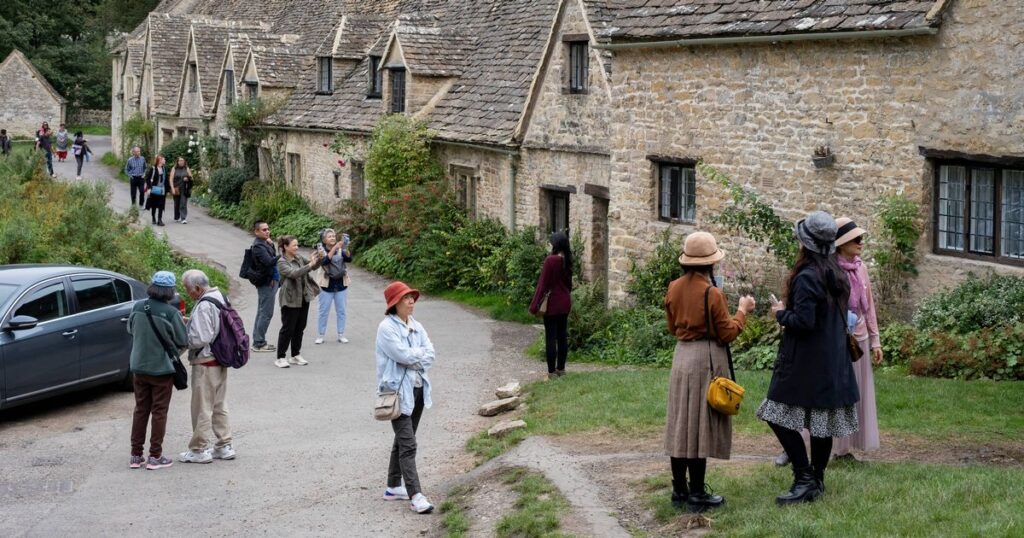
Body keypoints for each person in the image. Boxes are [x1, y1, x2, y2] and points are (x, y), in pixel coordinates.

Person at [758, 211, 860, 506]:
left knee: (774, 414)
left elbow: (804, 322)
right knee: (821, 423)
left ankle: (804, 477)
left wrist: (779, 313)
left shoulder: (807, 277)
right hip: (831, 363)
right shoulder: (837, 274)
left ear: (806, 245)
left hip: (805, 363)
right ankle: (816, 480)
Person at [663, 232, 755, 512]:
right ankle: (698, 494)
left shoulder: (673, 287)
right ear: (710, 263)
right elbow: (727, 333)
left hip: (681, 358)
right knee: (699, 426)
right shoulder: (712, 293)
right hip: (705, 358)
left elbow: (671, 327)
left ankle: (680, 490)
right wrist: (742, 311)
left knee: (681, 424)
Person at [377, 281, 435, 514]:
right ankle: (416, 495)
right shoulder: (386, 328)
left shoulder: (416, 325)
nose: (411, 301)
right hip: (398, 393)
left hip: (419, 389)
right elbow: (400, 355)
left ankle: (393, 487)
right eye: (406, 298)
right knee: (408, 444)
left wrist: (415, 357)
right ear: (394, 303)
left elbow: (430, 354)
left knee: (402, 440)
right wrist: (416, 356)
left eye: (412, 297)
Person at [126, 271, 188, 471]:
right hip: (161, 370)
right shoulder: (171, 313)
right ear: (170, 290)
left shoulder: (138, 306)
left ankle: (136, 456)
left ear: (152, 286)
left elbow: (130, 329)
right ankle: (155, 456)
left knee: (140, 409)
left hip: (138, 367)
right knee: (159, 411)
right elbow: (182, 340)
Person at [832, 217, 882, 458]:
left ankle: (846, 448)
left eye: (861, 238)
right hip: (835, 339)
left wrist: (875, 340)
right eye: (855, 239)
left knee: (855, 393)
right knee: (835, 391)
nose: (861, 242)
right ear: (841, 244)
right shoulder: (831, 269)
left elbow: (869, 306)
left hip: (858, 339)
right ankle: (830, 445)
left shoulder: (861, 268)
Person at [179, 270, 235, 464]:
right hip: (220, 359)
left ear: (197, 287)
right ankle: (224, 445)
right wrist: (191, 321)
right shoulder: (219, 296)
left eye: (188, 288)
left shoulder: (203, 304)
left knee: (202, 406)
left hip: (205, 362)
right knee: (219, 404)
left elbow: (201, 337)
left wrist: (182, 335)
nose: (187, 292)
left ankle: (198, 449)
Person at [528, 232, 573, 379]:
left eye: (551, 242)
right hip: (565, 302)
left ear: (555, 245)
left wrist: (534, 306)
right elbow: (569, 285)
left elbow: (543, 285)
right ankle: (561, 369)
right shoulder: (567, 260)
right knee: (562, 336)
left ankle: (551, 372)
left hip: (552, 304)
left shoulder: (550, 261)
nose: (549, 244)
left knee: (551, 337)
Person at [275, 235, 321, 368]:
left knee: (300, 327)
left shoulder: (299, 257)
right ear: (285, 247)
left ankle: (295, 354)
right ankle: (280, 357)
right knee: (288, 328)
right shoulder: (281, 261)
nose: (297, 247)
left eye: (297, 245)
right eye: (294, 245)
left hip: (303, 297)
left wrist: (317, 260)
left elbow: (313, 267)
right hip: (289, 298)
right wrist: (310, 265)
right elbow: (294, 273)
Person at [314, 228, 353, 345]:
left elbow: (349, 259)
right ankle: (321, 335)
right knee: (323, 311)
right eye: (329, 236)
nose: (332, 238)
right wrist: (335, 248)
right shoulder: (321, 250)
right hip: (326, 285)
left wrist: (345, 247)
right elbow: (324, 261)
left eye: (334, 236)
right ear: (324, 239)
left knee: (341, 311)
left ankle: (341, 334)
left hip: (341, 285)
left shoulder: (341, 249)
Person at [250, 221, 280, 353]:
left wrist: (272, 245)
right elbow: (269, 262)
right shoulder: (258, 246)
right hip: (266, 283)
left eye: (268, 229)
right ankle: (259, 343)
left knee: (262, 312)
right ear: (256, 232)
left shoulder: (264, 243)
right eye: (264, 230)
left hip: (270, 281)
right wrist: (282, 254)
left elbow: (271, 258)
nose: (267, 231)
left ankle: (258, 340)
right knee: (266, 313)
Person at [144, 154, 169, 226]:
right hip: (154, 189)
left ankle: (159, 219)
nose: (165, 160)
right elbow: (148, 179)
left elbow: (166, 180)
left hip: (162, 190)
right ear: (159, 160)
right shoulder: (153, 169)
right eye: (163, 159)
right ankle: (153, 218)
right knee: (154, 205)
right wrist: (149, 188)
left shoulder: (164, 169)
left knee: (161, 205)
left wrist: (167, 190)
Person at [171, 156, 193, 224]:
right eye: (180, 161)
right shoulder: (174, 168)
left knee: (183, 203)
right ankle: (177, 217)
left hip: (184, 188)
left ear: (184, 161)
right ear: (177, 162)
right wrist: (172, 188)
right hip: (176, 188)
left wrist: (187, 178)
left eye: (182, 160)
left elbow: (192, 178)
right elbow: (171, 179)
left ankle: (183, 218)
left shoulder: (186, 168)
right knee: (176, 203)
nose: (181, 162)